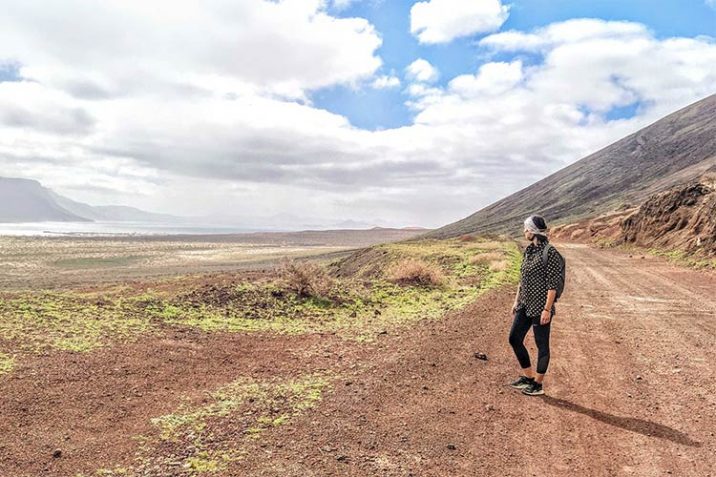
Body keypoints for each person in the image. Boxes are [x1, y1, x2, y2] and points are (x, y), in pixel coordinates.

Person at [508, 215, 561, 396]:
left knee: (542, 345)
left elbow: (553, 284)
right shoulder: (529, 251)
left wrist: (547, 309)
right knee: (514, 338)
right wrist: (517, 300)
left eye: (525, 229)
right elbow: (522, 279)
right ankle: (528, 377)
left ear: (532, 230)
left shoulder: (550, 252)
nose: (524, 232)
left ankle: (538, 385)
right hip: (525, 304)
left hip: (541, 307)